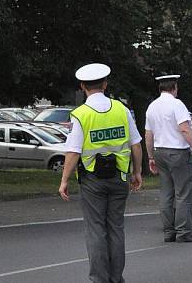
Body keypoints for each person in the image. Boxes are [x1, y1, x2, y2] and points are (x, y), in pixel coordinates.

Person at [58, 63, 143, 283]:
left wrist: (64, 180)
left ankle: (99, 279)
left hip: (92, 180)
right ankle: (116, 278)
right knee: (116, 228)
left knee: (96, 229)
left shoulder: (80, 114)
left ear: (82, 86)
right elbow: (136, 145)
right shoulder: (121, 109)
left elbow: (73, 151)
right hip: (119, 177)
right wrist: (137, 173)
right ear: (105, 84)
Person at [145, 74, 192, 243]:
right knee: (184, 192)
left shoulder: (152, 107)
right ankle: (184, 231)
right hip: (177, 153)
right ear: (174, 87)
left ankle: (168, 231)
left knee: (166, 192)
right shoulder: (177, 104)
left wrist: (150, 156)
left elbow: (148, 134)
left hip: (160, 152)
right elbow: (185, 129)